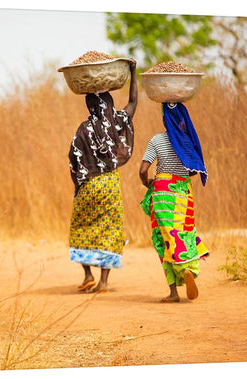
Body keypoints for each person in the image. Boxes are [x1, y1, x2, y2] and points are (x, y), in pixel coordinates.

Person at [68, 59, 138, 294]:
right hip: (109, 184)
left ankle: (87, 274)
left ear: (89, 105)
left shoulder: (83, 128)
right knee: (109, 229)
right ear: (109, 103)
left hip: (88, 185)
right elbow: (133, 101)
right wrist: (133, 72)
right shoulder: (117, 122)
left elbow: (74, 158)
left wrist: (78, 186)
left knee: (81, 227)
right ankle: (104, 282)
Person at [139, 102, 210, 302]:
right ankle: (189, 269)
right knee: (185, 233)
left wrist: (148, 184)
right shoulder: (187, 141)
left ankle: (173, 291)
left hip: (163, 194)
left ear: (164, 120)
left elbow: (143, 170)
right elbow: (195, 169)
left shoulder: (157, 140)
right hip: (183, 193)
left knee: (163, 239)